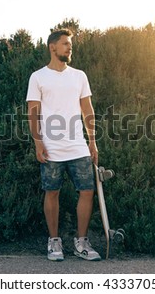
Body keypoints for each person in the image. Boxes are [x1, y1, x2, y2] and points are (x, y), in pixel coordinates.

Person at [26, 29, 101, 261]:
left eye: (70, 44)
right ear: (52, 47)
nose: (70, 48)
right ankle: (54, 242)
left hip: (78, 145)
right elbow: (33, 112)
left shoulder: (79, 76)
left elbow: (87, 110)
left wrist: (92, 141)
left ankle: (81, 242)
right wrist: (38, 142)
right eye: (65, 44)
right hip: (51, 147)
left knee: (88, 191)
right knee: (52, 192)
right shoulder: (38, 77)